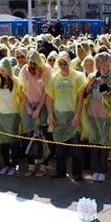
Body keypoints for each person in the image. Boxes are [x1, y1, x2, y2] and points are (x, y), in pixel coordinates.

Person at [46, 51, 86, 181]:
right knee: (60, 149)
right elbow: (50, 98)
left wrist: (77, 116)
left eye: (65, 63)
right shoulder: (53, 78)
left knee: (76, 149)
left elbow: (81, 99)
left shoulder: (78, 77)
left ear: (69, 62)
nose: (63, 66)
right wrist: (51, 115)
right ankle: (61, 171)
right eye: (60, 63)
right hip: (59, 116)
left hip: (72, 115)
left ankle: (77, 172)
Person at [82, 52, 111, 182]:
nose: (98, 64)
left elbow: (107, 94)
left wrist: (103, 78)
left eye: (101, 61)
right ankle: (94, 169)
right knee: (93, 143)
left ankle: (102, 169)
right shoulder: (92, 76)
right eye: (97, 61)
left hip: (105, 115)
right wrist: (90, 82)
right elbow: (84, 94)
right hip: (92, 114)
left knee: (103, 143)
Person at [0, 58, 21, 175]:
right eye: (0, 70)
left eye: (4, 70)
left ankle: (14, 165)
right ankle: (6, 164)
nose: (2, 73)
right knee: (3, 141)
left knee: (13, 140)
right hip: (0, 114)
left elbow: (21, 97)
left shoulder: (16, 81)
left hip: (12, 114)